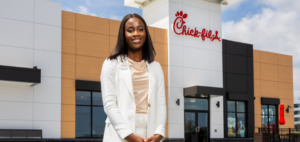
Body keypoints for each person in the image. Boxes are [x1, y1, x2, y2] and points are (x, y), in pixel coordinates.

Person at [100, 13, 166, 142]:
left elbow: (161, 104)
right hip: (120, 133)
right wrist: (129, 136)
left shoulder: (156, 67)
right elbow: (109, 105)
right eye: (130, 30)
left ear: (146, 34)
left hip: (149, 133)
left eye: (140, 29)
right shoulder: (111, 63)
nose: (136, 33)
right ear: (123, 35)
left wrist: (159, 133)